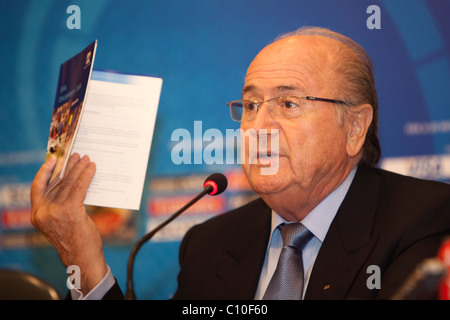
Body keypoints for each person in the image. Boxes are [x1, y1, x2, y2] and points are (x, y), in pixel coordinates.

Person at [30, 26, 450, 300]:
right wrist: (83, 258)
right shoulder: (210, 244)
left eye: (288, 103)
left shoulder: (426, 221)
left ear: (355, 127)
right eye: (250, 105)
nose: (259, 126)